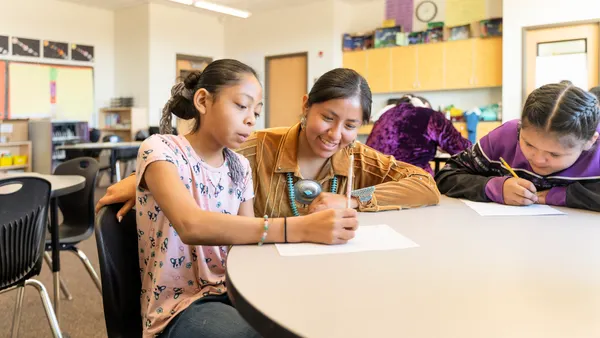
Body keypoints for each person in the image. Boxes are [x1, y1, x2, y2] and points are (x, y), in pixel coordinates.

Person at [132, 59, 360, 338]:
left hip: (237, 291)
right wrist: (299, 228)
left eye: (256, 111)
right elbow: (191, 225)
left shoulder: (239, 166)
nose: (251, 118)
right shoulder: (161, 148)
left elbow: (249, 240)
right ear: (203, 101)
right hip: (181, 308)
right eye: (242, 106)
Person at [96, 68, 440, 220]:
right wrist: (142, 179)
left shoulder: (355, 156)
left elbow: (425, 185)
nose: (335, 134)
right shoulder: (258, 146)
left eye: (351, 125)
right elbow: (190, 156)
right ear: (306, 106)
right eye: (328, 118)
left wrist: (353, 198)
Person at [435, 81, 600, 212]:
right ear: (520, 127)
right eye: (528, 144)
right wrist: (495, 188)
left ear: (590, 142)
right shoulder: (505, 137)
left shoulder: (596, 151)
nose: (538, 160)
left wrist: (560, 196)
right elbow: (446, 176)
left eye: (555, 154)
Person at [366, 94, 472, 176]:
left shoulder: (385, 116)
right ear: (426, 105)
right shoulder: (431, 116)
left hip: (373, 181)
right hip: (412, 182)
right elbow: (463, 149)